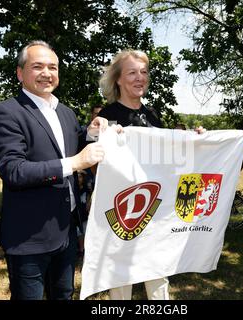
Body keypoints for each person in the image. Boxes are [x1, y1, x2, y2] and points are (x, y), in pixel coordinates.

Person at [0, 40, 109, 300]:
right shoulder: (5, 113)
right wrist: (75, 163)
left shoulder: (66, 113)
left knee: (63, 294)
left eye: (53, 67)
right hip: (29, 236)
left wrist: (93, 133)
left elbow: (72, 143)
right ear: (20, 73)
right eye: (37, 66)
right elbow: (14, 171)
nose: (46, 73)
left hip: (66, 231)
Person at [98, 49, 169, 300]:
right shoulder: (106, 118)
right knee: (120, 280)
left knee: (158, 277)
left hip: (154, 208)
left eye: (144, 72)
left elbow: (168, 158)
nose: (140, 78)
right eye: (132, 73)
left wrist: (195, 141)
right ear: (118, 79)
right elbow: (91, 159)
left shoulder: (153, 116)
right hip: (122, 212)